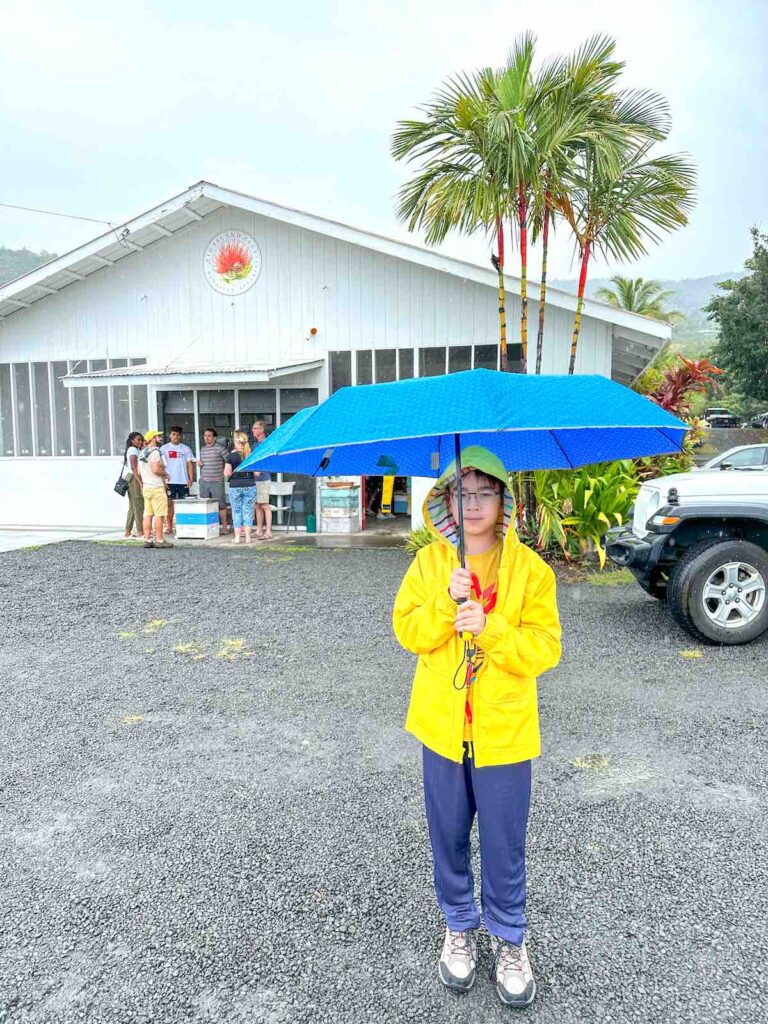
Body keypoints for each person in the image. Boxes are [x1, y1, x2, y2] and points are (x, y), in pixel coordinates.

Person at [392, 447, 561, 1009]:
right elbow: (408, 632)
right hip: (442, 729)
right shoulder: (429, 565)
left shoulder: (531, 572)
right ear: (444, 501)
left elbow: (545, 648)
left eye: (484, 492)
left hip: (505, 732)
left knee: (505, 841)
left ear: (504, 501)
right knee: (447, 835)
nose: (472, 504)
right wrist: (447, 603)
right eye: (461, 493)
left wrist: (490, 629)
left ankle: (510, 939)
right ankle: (459, 925)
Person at [137, 430, 173, 549]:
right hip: (156, 486)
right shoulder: (155, 452)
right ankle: (159, 539)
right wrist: (166, 474)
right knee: (159, 514)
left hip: (146, 487)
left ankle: (147, 539)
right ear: (152, 439)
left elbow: (138, 471)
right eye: (157, 436)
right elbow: (155, 469)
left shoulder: (142, 453)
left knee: (147, 514)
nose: (160, 438)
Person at [161, 425, 194, 534]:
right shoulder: (164, 449)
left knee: (183, 504)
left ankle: (182, 526)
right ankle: (169, 526)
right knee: (169, 504)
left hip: (182, 480)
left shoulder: (185, 449)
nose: (175, 437)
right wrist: (163, 480)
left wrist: (191, 478)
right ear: (170, 435)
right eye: (173, 434)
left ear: (181, 436)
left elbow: (190, 464)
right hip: (169, 481)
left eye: (178, 435)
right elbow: (160, 466)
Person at [224, 431, 256, 544]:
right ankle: (248, 538)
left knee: (236, 511)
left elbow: (227, 473)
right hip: (250, 485)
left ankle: (237, 538)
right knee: (248, 511)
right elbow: (257, 474)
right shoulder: (251, 455)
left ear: (236, 441)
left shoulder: (231, 456)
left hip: (235, 486)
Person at [196, 427, 229, 533]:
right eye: (205, 435)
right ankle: (206, 528)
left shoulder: (221, 449)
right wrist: (199, 464)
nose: (207, 438)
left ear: (214, 438)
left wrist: (225, 473)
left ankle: (224, 527)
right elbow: (201, 463)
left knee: (221, 505)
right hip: (205, 481)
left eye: (209, 435)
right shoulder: (202, 449)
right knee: (205, 505)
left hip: (217, 480)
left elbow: (229, 460)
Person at [250, 420, 273, 540]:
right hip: (255, 479)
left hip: (264, 478)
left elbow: (269, 461)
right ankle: (259, 530)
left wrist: (260, 470)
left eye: (255, 428)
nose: (252, 430)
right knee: (257, 505)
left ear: (262, 430)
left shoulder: (267, 444)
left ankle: (268, 531)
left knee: (265, 505)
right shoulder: (254, 445)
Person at [123, 431, 145, 539]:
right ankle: (140, 532)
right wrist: (140, 482)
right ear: (132, 441)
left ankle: (127, 531)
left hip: (130, 477)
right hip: (133, 478)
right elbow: (134, 467)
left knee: (132, 506)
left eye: (141, 440)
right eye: (138, 440)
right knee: (138, 505)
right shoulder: (133, 450)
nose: (140, 442)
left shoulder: (136, 450)